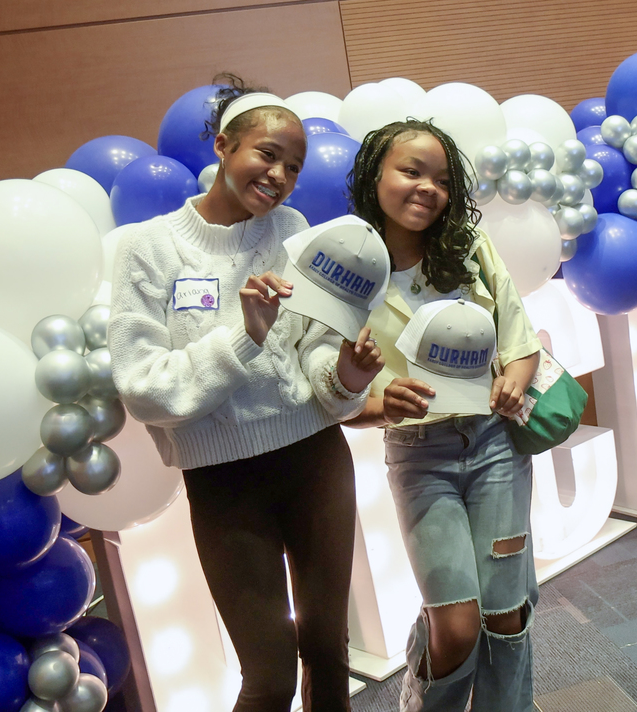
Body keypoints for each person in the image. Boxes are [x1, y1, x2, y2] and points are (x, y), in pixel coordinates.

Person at [107, 76, 383, 712]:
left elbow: (314, 348)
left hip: (315, 461)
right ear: (224, 146)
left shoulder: (291, 231)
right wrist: (244, 336)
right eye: (267, 153)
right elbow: (142, 389)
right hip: (224, 483)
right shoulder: (149, 248)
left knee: (328, 652)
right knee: (269, 679)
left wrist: (347, 375)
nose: (280, 175)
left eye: (294, 165)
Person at [345, 119, 542, 711]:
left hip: (495, 445)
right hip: (419, 458)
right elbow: (332, 395)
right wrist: (380, 404)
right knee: (455, 627)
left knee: (505, 614)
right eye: (411, 171)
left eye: (442, 180)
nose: (427, 188)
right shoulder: (350, 269)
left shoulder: (471, 253)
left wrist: (512, 383)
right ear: (375, 176)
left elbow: (522, 344)